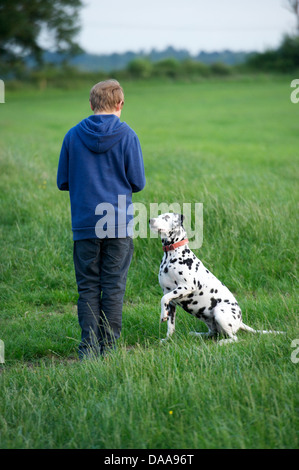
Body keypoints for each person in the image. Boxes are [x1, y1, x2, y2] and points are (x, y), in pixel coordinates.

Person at [57, 79, 146, 359]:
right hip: (118, 224)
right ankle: (109, 350)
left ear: (91, 104)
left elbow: (63, 181)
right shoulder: (128, 135)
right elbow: (138, 182)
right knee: (114, 288)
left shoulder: (72, 135)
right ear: (120, 104)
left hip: (85, 224)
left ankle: (88, 350)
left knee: (88, 288)